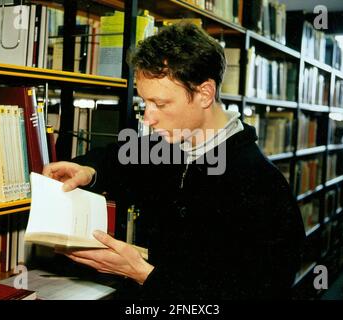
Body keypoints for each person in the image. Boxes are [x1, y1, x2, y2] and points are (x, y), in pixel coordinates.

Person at [43, 23, 305, 299]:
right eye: (145, 102)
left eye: (161, 104)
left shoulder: (262, 186)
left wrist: (144, 275)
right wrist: (89, 170)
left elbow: (255, 293)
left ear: (205, 94)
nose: (148, 118)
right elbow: (116, 158)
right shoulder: (169, 146)